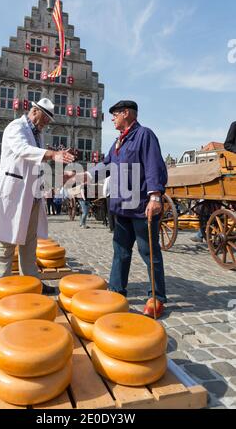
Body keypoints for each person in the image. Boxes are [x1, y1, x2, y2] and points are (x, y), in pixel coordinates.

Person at [70, 100, 168, 318]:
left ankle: (157, 297)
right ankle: (116, 290)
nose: (112, 118)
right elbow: (105, 166)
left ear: (126, 113)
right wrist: (82, 176)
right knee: (120, 251)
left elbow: (154, 165)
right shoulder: (118, 142)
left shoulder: (144, 135)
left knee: (149, 252)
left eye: (115, 114)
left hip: (142, 205)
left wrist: (155, 196)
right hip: (122, 205)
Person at [0, 98, 75, 294]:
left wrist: (61, 175)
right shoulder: (15, 127)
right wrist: (52, 155)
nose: (45, 124)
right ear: (35, 111)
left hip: (32, 196)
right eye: (44, 120)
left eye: (47, 122)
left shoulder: (38, 135)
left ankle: (32, 283)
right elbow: (23, 150)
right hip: (15, 194)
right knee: (6, 243)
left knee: (29, 243)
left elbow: (38, 166)